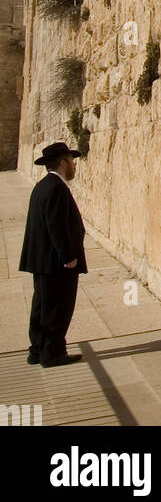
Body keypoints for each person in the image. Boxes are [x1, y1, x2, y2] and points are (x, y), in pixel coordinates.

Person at [19, 140, 88, 367]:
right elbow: (56, 226)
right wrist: (68, 257)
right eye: (71, 161)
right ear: (62, 162)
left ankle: (37, 349)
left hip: (43, 260)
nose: (74, 165)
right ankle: (52, 353)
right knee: (58, 307)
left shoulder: (43, 185)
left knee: (42, 306)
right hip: (56, 262)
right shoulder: (57, 188)